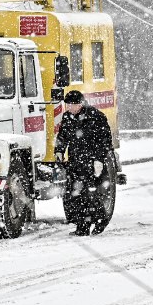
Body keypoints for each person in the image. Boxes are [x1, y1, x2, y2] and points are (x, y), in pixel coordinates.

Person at [54, 88, 114, 236]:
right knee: (75, 195)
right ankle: (82, 226)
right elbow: (63, 136)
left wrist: (99, 159)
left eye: (72, 105)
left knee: (90, 194)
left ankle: (100, 220)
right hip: (75, 162)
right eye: (67, 105)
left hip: (92, 163)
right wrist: (59, 151)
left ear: (80, 104)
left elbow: (105, 141)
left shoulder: (96, 117)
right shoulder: (68, 117)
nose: (69, 108)